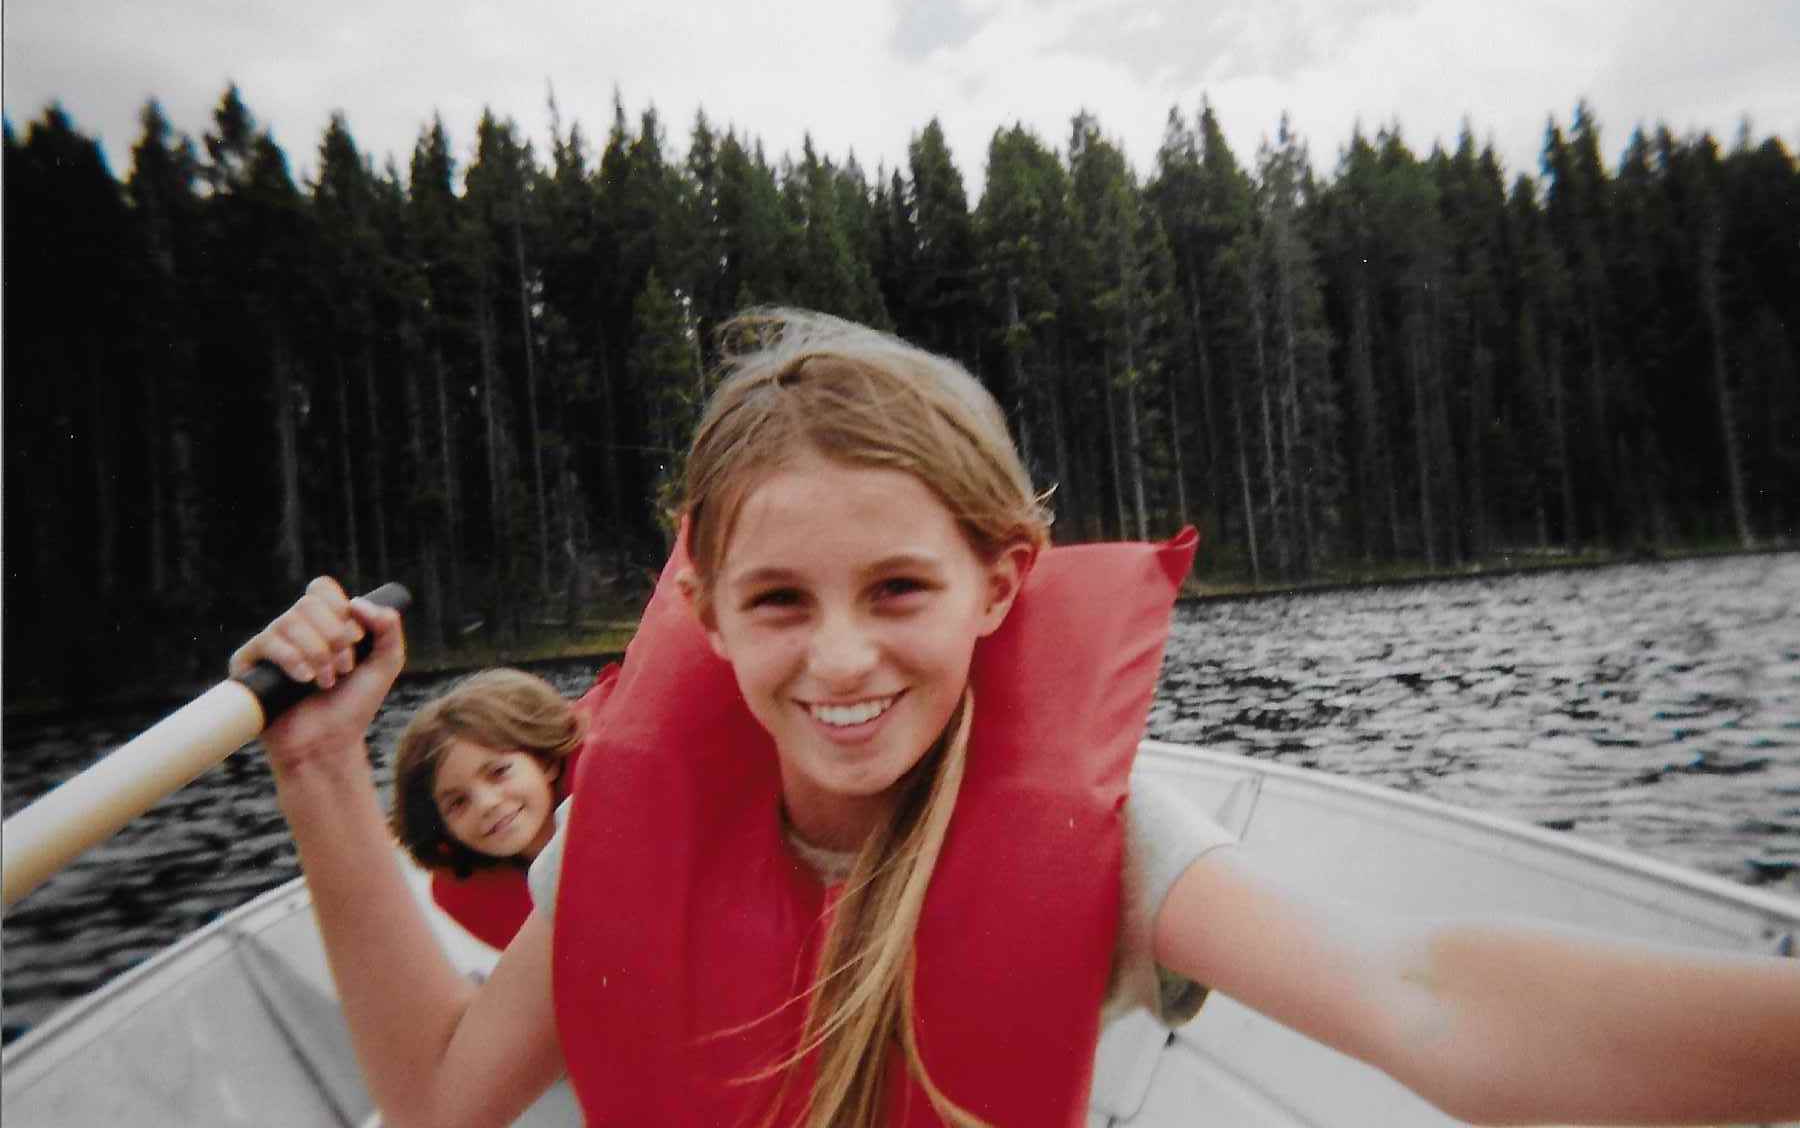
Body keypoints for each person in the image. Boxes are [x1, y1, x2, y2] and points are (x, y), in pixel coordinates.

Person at [233, 308, 1800, 1128]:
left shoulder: (1108, 848)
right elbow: (437, 1099)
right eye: (781, 601)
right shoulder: (618, 849)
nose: (840, 661)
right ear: (702, 609)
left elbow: (1435, 1005)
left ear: (1002, 583)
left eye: (898, 590)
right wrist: (317, 762)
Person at [388, 668, 585, 949]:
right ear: (443, 827)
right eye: (458, 802)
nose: (486, 804)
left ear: (545, 762)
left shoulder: (612, 806)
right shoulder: (466, 897)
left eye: (498, 772)